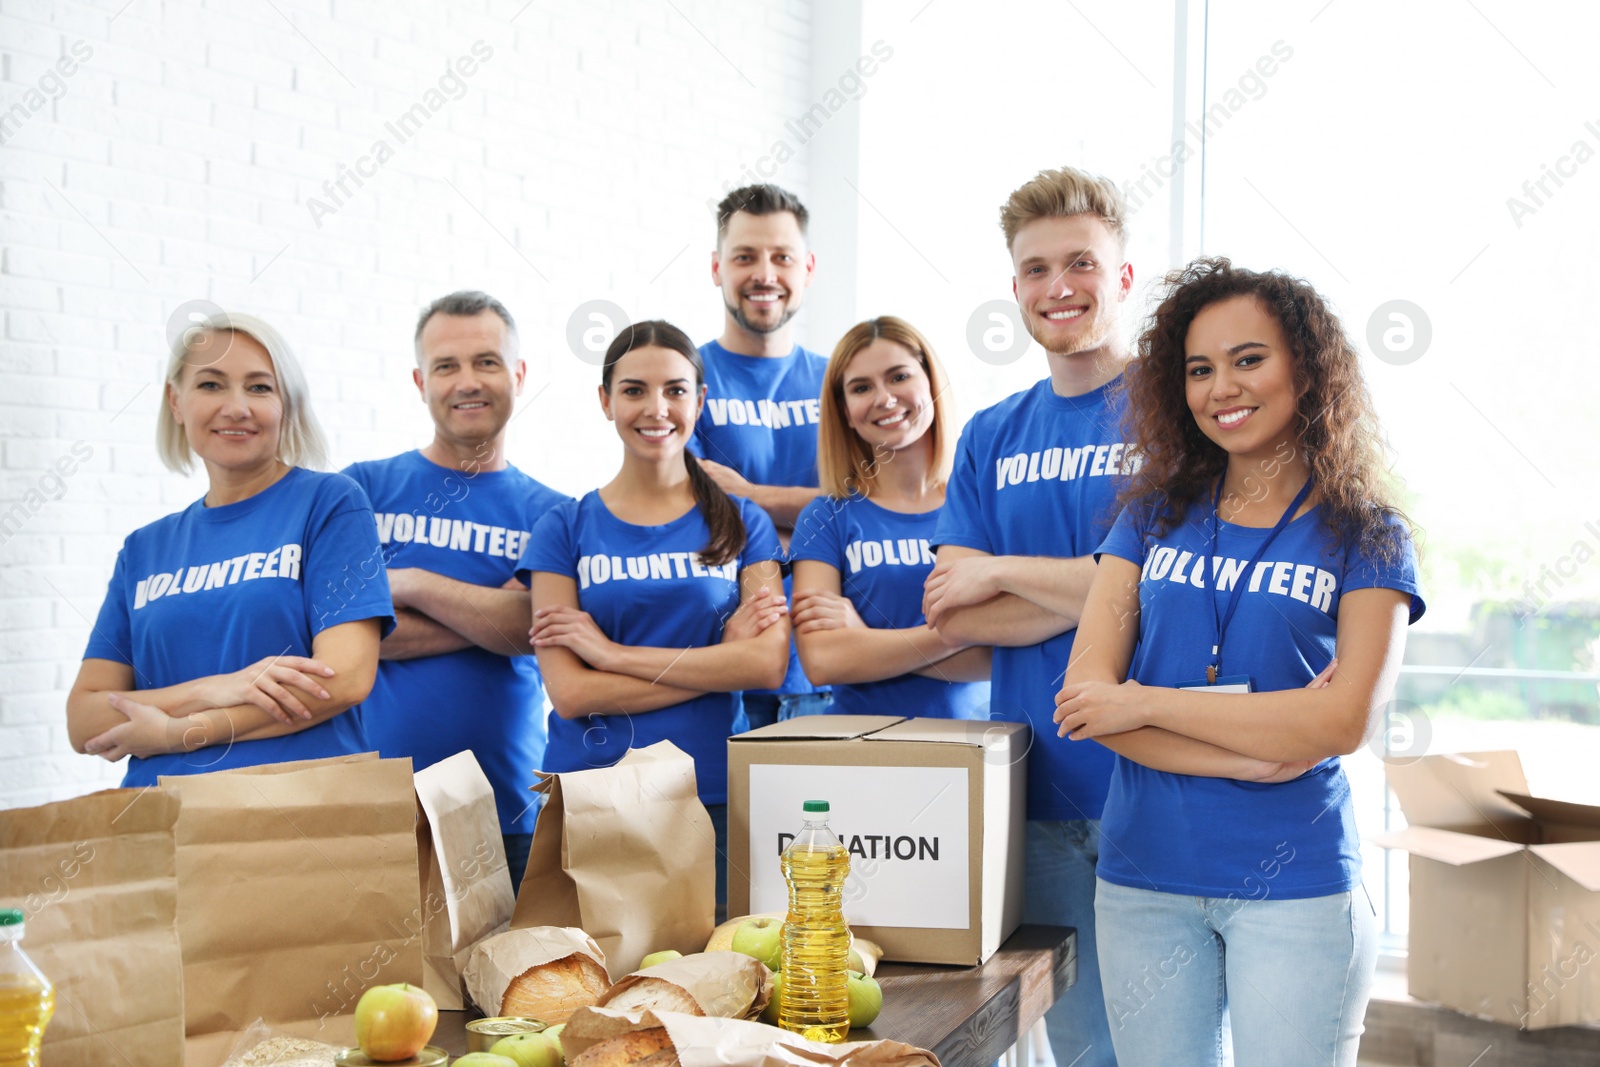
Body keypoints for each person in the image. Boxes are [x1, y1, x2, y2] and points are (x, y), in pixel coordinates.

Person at [1053, 258, 1424, 1066]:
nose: (1222, 385)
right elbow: (1086, 701)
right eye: (1199, 368)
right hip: (1142, 878)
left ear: (1307, 366)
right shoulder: (1149, 518)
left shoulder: (1368, 534)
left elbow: (1342, 719)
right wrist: (1259, 750)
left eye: (1248, 358)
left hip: (1296, 883)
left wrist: (1143, 702)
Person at [924, 167, 1135, 1067]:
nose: (1060, 286)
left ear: (1122, 277)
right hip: (1035, 791)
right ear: (1014, 287)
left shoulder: (1181, 415)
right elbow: (950, 613)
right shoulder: (990, 433)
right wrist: (1099, 587)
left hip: (1157, 779)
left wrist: (1003, 572)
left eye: (1082, 262)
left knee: (1176, 1039)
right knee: (1086, 1048)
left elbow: (1164, 589)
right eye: (1037, 268)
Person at [519, 320, 790, 909]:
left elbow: (767, 665)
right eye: (634, 389)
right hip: (589, 791)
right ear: (605, 401)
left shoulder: (746, 524)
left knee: (714, 988)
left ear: (700, 400)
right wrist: (718, 662)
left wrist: (611, 656)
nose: (656, 407)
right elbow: (569, 692)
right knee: (586, 989)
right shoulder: (562, 529)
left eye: (674, 389)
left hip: (707, 793)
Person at [66, 313, 392, 784]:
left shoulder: (330, 504)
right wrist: (217, 689)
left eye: (259, 388)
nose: (236, 407)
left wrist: (180, 733)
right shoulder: (144, 549)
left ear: (288, 405)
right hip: (162, 826)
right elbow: (85, 718)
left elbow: (342, 679)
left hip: (302, 818)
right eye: (212, 385)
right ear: (176, 401)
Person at [342, 291, 569, 889]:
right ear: (421, 381)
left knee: (505, 985)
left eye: (487, 362)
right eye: (447, 366)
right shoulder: (358, 491)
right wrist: (490, 618)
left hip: (506, 811)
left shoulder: (556, 516)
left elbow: (534, 627)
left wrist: (410, 583)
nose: (468, 380)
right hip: (375, 807)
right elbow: (340, 630)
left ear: (518, 375)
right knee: (382, 985)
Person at [789, 316, 989, 718]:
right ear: (845, 411)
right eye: (861, 387)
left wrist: (866, 640)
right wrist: (960, 637)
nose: (884, 398)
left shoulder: (986, 505)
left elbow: (998, 658)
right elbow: (824, 661)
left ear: (931, 382)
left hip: (975, 746)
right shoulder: (825, 517)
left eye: (898, 377)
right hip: (861, 753)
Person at [691, 184, 832, 727]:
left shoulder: (843, 382)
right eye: (745, 256)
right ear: (716, 267)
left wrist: (748, 497)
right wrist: (817, 519)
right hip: (723, 668)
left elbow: (872, 509)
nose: (764, 274)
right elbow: (697, 516)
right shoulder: (683, 381)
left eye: (782, 257)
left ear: (808, 268)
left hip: (828, 671)